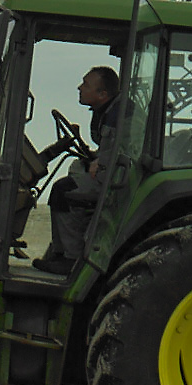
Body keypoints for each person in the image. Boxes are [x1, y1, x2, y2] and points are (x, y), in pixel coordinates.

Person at [32, 64, 119, 275]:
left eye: (86, 84)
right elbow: (109, 147)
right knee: (71, 177)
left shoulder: (122, 114)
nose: (79, 87)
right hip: (108, 172)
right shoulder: (105, 112)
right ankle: (59, 253)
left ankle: (70, 259)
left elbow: (129, 148)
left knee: (63, 190)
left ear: (102, 93)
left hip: (117, 180)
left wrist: (103, 160)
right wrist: (94, 156)